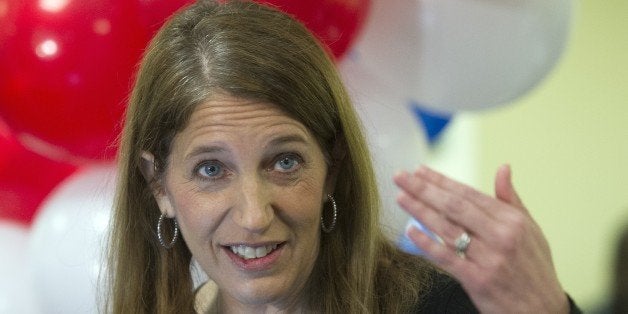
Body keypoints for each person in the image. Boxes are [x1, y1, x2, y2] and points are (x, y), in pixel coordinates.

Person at [105, 1, 581, 313]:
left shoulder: (442, 306)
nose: (254, 215)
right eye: (211, 170)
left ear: (332, 166)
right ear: (158, 186)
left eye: (285, 162)